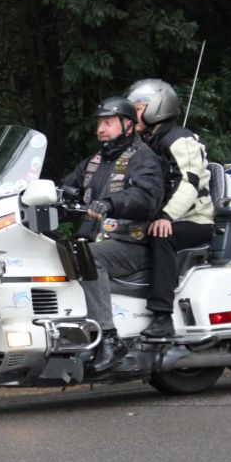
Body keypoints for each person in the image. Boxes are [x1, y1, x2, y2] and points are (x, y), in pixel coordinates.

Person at [62, 96, 165, 371]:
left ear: (128, 124)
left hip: (130, 243)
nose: (101, 129)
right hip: (94, 240)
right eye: (99, 123)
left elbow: (146, 197)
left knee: (87, 258)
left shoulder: (143, 159)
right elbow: (67, 190)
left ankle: (108, 338)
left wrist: (111, 203)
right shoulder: (94, 161)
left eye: (108, 122)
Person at [126, 78, 214, 338]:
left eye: (138, 108)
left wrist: (166, 216)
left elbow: (191, 182)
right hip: (167, 216)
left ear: (157, 108)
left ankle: (162, 316)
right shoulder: (147, 143)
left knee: (160, 234)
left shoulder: (179, 139)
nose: (133, 114)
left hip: (195, 219)